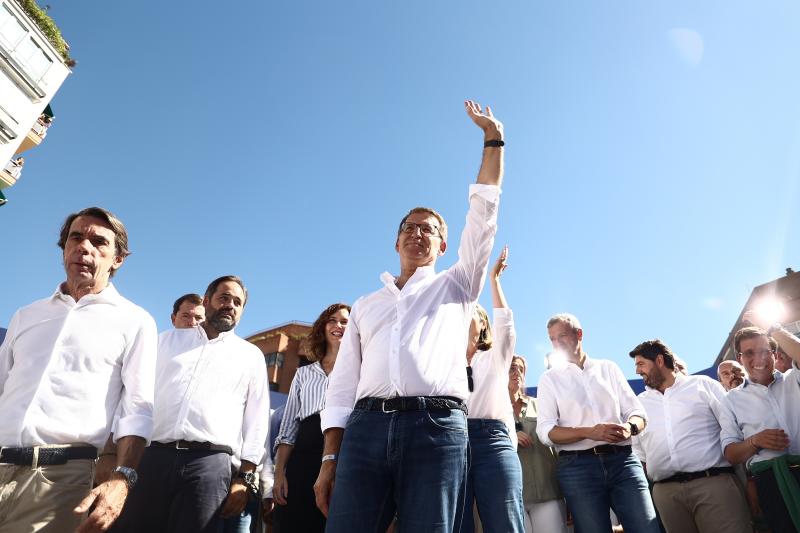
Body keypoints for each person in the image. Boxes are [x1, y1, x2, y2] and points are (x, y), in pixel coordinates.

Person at [315, 100, 505, 533]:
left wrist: (493, 139)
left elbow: (484, 216)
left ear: (443, 247)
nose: (418, 233)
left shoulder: (457, 285)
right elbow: (342, 387)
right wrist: (330, 460)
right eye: (409, 228)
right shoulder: (366, 305)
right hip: (364, 431)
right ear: (396, 241)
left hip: (436, 429)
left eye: (429, 230)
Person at [0, 206, 157, 533]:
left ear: (118, 259)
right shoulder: (25, 316)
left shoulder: (135, 321)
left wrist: (122, 480)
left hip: (58, 483)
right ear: (64, 248)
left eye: (99, 242)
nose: (84, 247)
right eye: (76, 237)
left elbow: (138, 409)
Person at [111, 275, 270, 533]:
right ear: (206, 301)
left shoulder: (250, 356)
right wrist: (114, 457)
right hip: (152, 458)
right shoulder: (163, 342)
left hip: (210, 465)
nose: (230, 305)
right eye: (224, 298)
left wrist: (245, 478)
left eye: (237, 302)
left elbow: (257, 421)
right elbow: (131, 398)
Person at [536, 313, 660, 533]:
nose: (557, 343)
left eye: (562, 335)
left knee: (647, 528)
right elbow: (546, 432)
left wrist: (629, 428)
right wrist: (589, 432)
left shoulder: (608, 368)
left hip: (623, 463)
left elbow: (637, 413)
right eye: (552, 339)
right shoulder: (549, 379)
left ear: (579, 334)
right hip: (577, 468)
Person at [629, 339, 751, 533]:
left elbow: (732, 428)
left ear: (659, 360)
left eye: (641, 364)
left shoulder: (704, 385)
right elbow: (637, 451)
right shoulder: (638, 404)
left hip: (714, 486)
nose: (637, 371)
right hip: (666, 496)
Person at [459, 246, 523, 533]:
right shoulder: (442, 362)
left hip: (492, 442)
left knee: (504, 522)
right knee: (455, 523)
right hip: (451, 441)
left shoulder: (494, 356)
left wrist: (494, 280)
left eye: (469, 311)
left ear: (483, 323)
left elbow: (506, 327)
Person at [272, 303, 350, 533]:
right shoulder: (303, 374)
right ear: (323, 327)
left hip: (345, 454)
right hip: (302, 458)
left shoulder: (362, 370)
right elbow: (288, 428)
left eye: (345, 321)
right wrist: (279, 474)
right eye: (332, 320)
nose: (338, 325)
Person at [720, 315, 800, 533]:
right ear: (740, 357)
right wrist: (755, 441)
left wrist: (772, 327)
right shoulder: (731, 399)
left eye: (765, 350)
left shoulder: (794, 379)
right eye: (749, 353)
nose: (759, 358)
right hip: (771, 483)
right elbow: (731, 453)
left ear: (775, 353)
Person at [509, 355, 568, 533]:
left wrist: (568, 495)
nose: (517, 373)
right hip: (511, 497)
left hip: (548, 492)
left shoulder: (541, 405)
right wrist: (510, 435)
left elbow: (560, 447)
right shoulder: (492, 409)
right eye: (512, 368)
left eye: (521, 369)